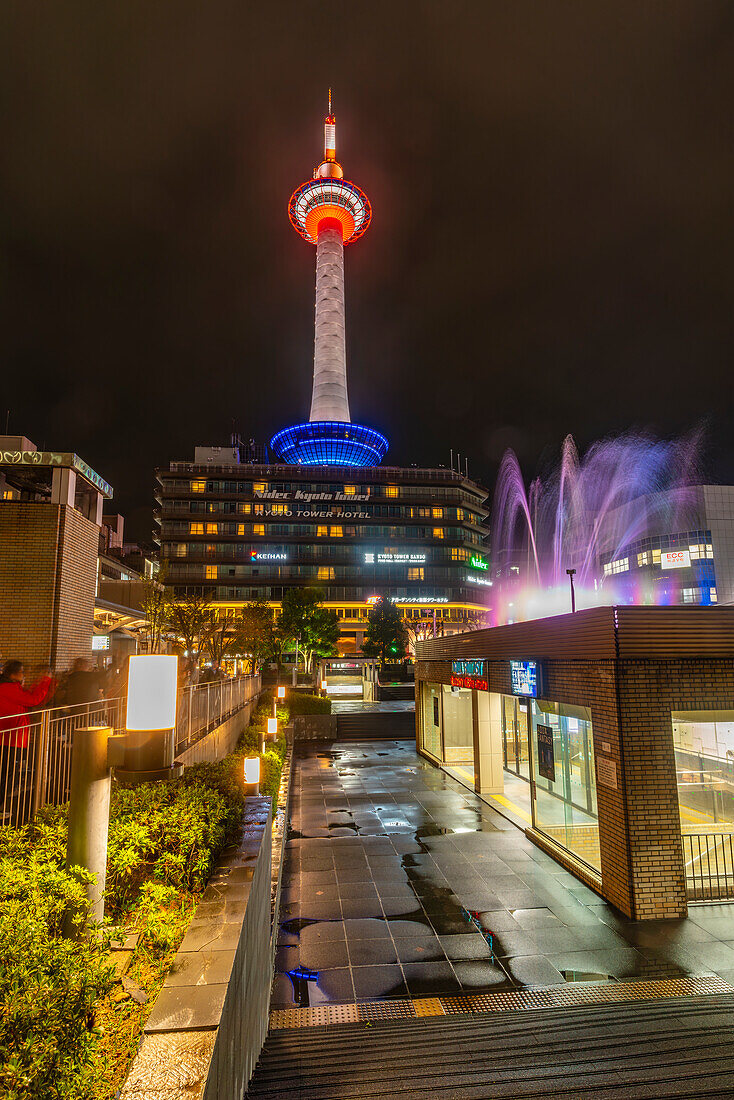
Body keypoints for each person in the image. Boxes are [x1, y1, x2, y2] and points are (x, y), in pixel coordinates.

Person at [0, 660, 56, 822]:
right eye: (22, 672)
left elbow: (28, 698)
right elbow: (33, 700)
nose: (24, 675)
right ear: (13, 674)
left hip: (10, 737)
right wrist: (45, 680)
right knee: (5, 773)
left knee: (6, 772)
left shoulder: (10, 687)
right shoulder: (8, 688)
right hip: (8, 739)